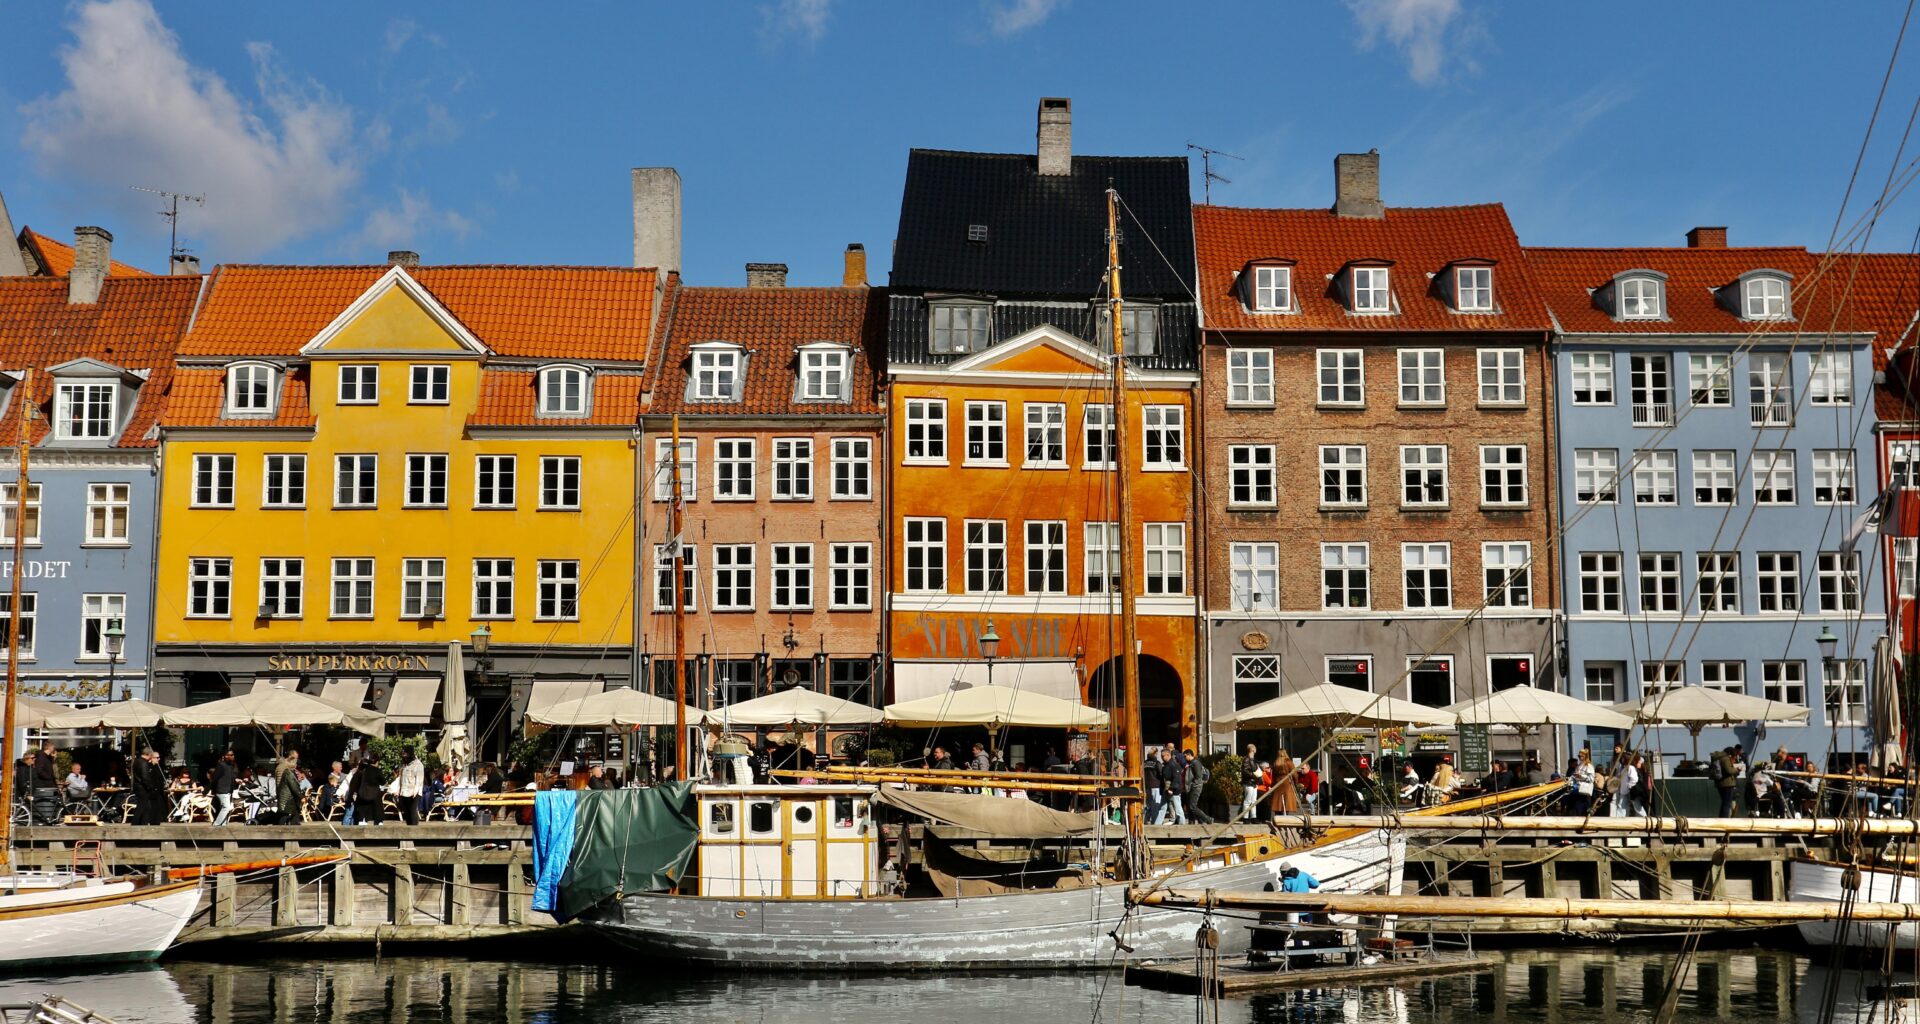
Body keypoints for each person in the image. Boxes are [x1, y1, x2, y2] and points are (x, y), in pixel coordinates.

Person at [132, 748, 167, 825]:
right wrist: (151, 787)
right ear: (148, 754)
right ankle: (135, 823)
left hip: (138, 786)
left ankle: (142, 823)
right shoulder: (144, 763)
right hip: (143, 788)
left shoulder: (136, 761)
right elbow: (145, 777)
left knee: (145, 807)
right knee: (142, 806)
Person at [389, 749, 425, 825]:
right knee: (407, 812)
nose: (403, 757)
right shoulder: (405, 765)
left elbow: (419, 779)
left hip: (413, 792)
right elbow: (401, 779)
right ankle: (409, 828)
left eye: (405, 755)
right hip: (404, 791)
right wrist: (398, 790)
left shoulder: (418, 765)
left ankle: (414, 829)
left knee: (412, 811)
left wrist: (415, 791)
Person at [352, 753, 386, 825]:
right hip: (375, 793)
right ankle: (379, 821)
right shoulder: (377, 770)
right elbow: (383, 782)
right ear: (377, 762)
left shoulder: (363, 770)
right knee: (378, 806)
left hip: (363, 793)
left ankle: (362, 820)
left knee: (363, 806)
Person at [1181, 749, 1213, 824]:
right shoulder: (1191, 763)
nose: (1184, 758)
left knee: (1192, 806)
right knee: (1190, 806)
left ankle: (1208, 819)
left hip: (1195, 788)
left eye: (1185, 756)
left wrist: (1193, 786)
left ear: (1189, 755)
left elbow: (1198, 777)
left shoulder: (1196, 763)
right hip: (1190, 788)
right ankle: (1191, 822)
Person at [29, 744, 59, 825]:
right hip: (45, 785)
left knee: (52, 803)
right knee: (46, 804)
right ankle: (45, 820)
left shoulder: (46, 757)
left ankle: (51, 819)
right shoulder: (41, 756)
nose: (54, 749)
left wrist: (53, 759)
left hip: (48, 784)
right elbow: (39, 770)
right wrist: (49, 777)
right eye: (53, 747)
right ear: (49, 747)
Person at [210, 750, 237, 827]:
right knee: (226, 807)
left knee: (224, 808)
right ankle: (216, 824)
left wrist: (237, 780)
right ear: (224, 756)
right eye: (229, 755)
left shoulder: (230, 766)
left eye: (232, 755)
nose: (232, 756)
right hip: (222, 790)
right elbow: (215, 778)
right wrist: (214, 790)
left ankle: (223, 824)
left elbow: (230, 778)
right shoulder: (221, 765)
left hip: (228, 790)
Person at [274, 752, 302, 825]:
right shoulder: (287, 770)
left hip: (284, 793)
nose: (296, 763)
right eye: (295, 758)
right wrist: (300, 795)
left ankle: (292, 825)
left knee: (286, 813)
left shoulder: (283, 767)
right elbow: (291, 784)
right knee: (285, 814)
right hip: (286, 794)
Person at [1711, 747, 1738, 816]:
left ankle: (1722, 817)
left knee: (1725, 802)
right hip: (1727, 784)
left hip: (1720, 783)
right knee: (1727, 803)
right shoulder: (1725, 759)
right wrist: (1736, 770)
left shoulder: (1718, 758)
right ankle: (1723, 818)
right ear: (1729, 753)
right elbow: (1729, 770)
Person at [1271, 750, 1300, 816]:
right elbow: (1294, 774)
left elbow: (1273, 775)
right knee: (1287, 801)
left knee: (1278, 802)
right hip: (1287, 782)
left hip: (1278, 782)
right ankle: (1286, 816)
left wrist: (1273, 784)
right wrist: (1296, 782)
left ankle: (1278, 816)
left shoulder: (1275, 762)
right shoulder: (1288, 761)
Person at [1142, 747, 1166, 824]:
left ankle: (1145, 819)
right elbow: (1161, 774)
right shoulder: (1157, 763)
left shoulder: (1144, 763)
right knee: (1156, 804)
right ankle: (1155, 821)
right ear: (1155, 753)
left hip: (1146, 786)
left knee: (1148, 804)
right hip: (1156, 785)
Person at [1569, 749, 1597, 816]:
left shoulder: (1589, 766)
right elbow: (1574, 776)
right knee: (1578, 809)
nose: (1580, 757)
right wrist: (1570, 779)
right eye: (1579, 756)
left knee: (1585, 810)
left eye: (1581, 756)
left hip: (1585, 791)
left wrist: (1581, 776)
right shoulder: (1579, 766)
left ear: (1585, 756)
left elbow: (1591, 779)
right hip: (1578, 790)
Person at [1240, 746, 1262, 823]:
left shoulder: (1252, 759)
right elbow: (1245, 770)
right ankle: (1245, 818)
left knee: (1253, 801)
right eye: (1255, 748)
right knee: (1247, 800)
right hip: (1249, 782)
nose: (1256, 749)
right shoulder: (1247, 759)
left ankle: (1253, 817)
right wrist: (1254, 775)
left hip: (1254, 782)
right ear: (1252, 749)